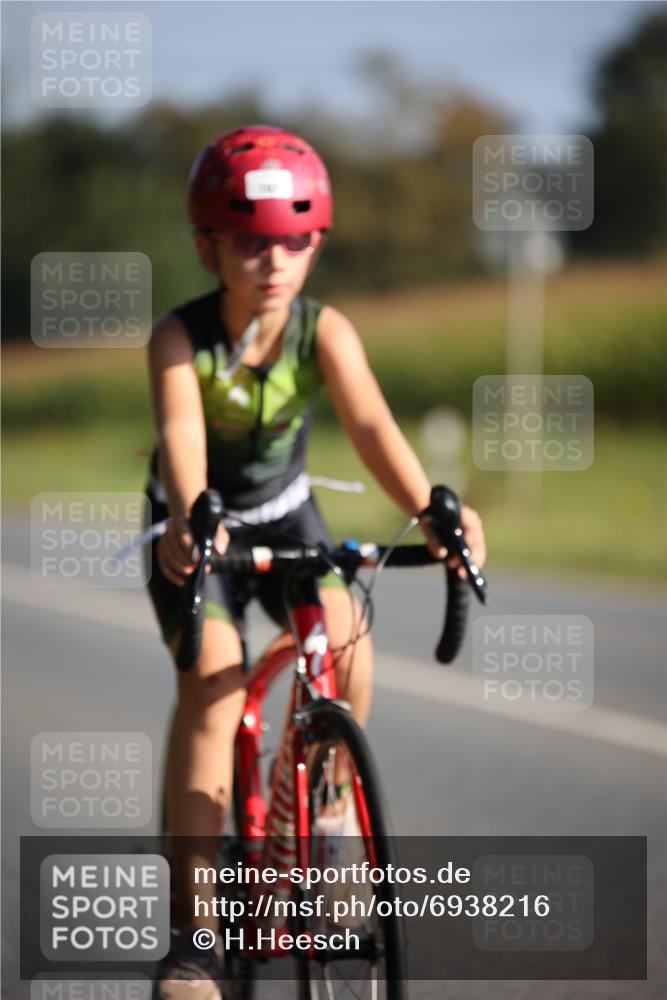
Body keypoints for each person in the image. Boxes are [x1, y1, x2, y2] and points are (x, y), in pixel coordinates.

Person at [145, 124, 486, 999]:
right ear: (207, 246)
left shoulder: (322, 330)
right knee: (215, 688)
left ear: (317, 243)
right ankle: (194, 939)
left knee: (347, 642)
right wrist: (190, 518)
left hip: (287, 513)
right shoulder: (180, 338)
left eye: (296, 240)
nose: (275, 260)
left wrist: (430, 510)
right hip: (199, 526)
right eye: (250, 240)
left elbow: (370, 425)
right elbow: (182, 434)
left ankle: (317, 817)